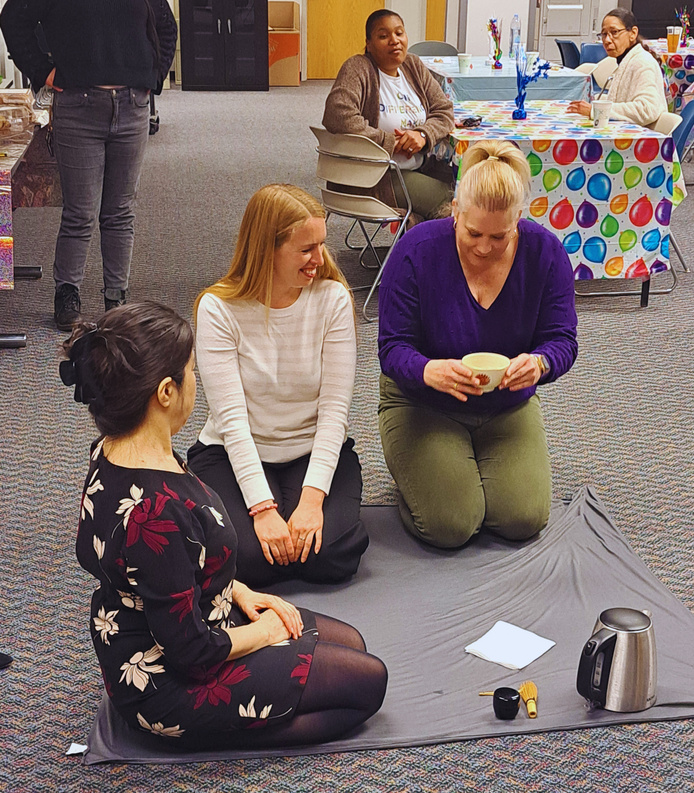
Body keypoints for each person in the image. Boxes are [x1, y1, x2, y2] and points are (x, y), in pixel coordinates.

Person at [62, 303, 386, 750]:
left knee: (353, 643)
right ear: (166, 393)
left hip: (178, 617)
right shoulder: (157, 510)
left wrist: (238, 590)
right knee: (368, 683)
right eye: (191, 372)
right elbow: (191, 653)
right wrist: (264, 634)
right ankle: (232, 730)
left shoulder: (117, 449)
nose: (197, 382)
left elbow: (171, 568)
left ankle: (252, 709)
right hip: (169, 679)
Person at [377, 140, 578, 549]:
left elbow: (562, 340)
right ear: (455, 210)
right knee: (449, 526)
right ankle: (421, 478)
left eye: (500, 236)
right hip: (424, 401)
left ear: (519, 219)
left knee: (523, 518)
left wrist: (539, 364)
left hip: (507, 403)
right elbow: (392, 348)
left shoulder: (546, 254)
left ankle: (462, 470)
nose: (485, 247)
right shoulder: (415, 252)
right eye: (473, 233)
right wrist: (427, 370)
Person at [188, 185, 369, 589]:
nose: (319, 260)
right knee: (250, 561)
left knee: (330, 555)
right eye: (306, 249)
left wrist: (311, 502)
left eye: (322, 245)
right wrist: (262, 509)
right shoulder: (217, 309)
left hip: (311, 447)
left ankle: (295, 517)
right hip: (233, 450)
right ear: (267, 249)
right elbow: (231, 421)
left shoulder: (333, 298)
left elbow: (335, 411)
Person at [0, 0, 178, 331]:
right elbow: (12, 18)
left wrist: (153, 76)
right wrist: (43, 72)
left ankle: (117, 296)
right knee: (80, 212)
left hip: (133, 106)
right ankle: (67, 293)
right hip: (77, 108)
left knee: (120, 211)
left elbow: (167, 27)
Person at [322, 9, 455, 221]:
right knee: (455, 200)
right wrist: (390, 142)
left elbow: (444, 110)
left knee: (473, 185)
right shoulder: (358, 68)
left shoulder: (413, 66)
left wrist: (422, 135)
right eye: (383, 36)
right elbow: (338, 114)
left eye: (399, 33)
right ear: (369, 43)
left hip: (421, 166)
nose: (394, 40)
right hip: (375, 176)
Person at [567, 8, 667, 128]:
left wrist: (597, 110)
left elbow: (647, 109)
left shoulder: (643, 62)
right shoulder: (627, 60)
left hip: (646, 142)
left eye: (614, 32)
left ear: (633, 33)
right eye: (604, 34)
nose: (607, 40)